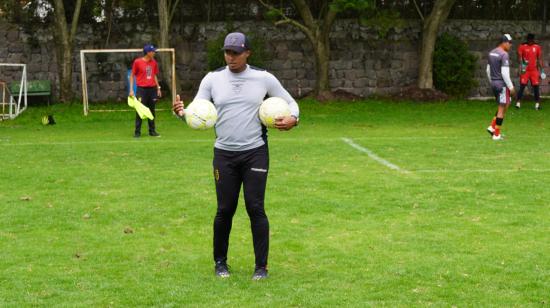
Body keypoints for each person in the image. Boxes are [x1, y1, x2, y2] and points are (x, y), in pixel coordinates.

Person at [172, 32, 299, 280]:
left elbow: (291, 103)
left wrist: (293, 119)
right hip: (224, 154)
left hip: (255, 153)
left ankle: (261, 268)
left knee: (255, 208)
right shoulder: (212, 79)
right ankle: (220, 263)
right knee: (225, 209)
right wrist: (181, 112)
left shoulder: (264, 78)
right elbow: (198, 111)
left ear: (247, 53)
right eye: (227, 52)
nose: (231, 57)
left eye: (236, 52)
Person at [486, 34, 516, 141]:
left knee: (506, 103)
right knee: (502, 107)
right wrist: (511, 87)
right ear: (504, 42)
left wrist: (492, 82)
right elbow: (504, 73)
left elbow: (488, 71)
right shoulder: (504, 54)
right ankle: (496, 134)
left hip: (494, 83)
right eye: (509, 42)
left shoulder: (491, 52)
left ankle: (492, 126)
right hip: (502, 84)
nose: (511, 45)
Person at [129, 44, 162, 137]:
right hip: (141, 90)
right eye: (153, 51)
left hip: (152, 90)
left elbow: (154, 75)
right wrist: (131, 90)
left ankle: (152, 131)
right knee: (140, 110)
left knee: (152, 110)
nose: (154, 53)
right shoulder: (137, 62)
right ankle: (137, 132)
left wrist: (158, 87)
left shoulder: (154, 62)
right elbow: (132, 76)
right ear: (148, 53)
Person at [515, 33, 544, 110]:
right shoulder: (522, 46)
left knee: (536, 87)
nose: (530, 41)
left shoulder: (537, 47)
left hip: (534, 70)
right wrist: (520, 67)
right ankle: (518, 103)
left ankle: (537, 104)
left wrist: (542, 70)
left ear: (533, 40)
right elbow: (519, 58)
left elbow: (539, 59)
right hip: (525, 69)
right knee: (522, 86)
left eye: (531, 40)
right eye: (529, 40)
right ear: (527, 39)